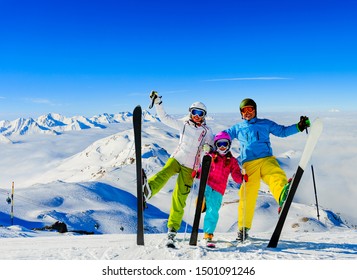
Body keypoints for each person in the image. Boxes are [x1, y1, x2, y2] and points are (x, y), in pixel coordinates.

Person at [224, 98, 310, 242]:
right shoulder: (237, 128)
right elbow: (223, 136)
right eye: (244, 110)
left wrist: (299, 126)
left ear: (255, 110)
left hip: (266, 159)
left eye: (250, 109)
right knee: (247, 194)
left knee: (275, 174)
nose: (247, 113)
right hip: (249, 164)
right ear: (241, 113)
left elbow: (282, 131)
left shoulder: (265, 124)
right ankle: (243, 229)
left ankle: (283, 194)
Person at [143, 91, 214, 246]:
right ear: (190, 112)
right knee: (164, 173)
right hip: (177, 158)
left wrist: (209, 148)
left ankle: (172, 231)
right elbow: (164, 118)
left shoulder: (206, 131)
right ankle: (147, 191)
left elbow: (213, 147)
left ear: (204, 116)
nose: (197, 116)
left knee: (179, 198)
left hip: (191, 167)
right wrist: (158, 103)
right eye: (194, 112)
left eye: (200, 114)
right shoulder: (184, 124)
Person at [201, 131, 248, 247]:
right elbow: (203, 170)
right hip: (207, 185)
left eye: (225, 144)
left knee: (213, 211)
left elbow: (236, 175)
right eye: (219, 144)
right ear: (216, 145)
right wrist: (197, 174)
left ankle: (208, 234)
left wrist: (242, 178)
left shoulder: (232, 161)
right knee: (208, 207)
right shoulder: (211, 157)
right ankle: (202, 202)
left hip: (218, 190)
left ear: (229, 145)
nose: (222, 147)